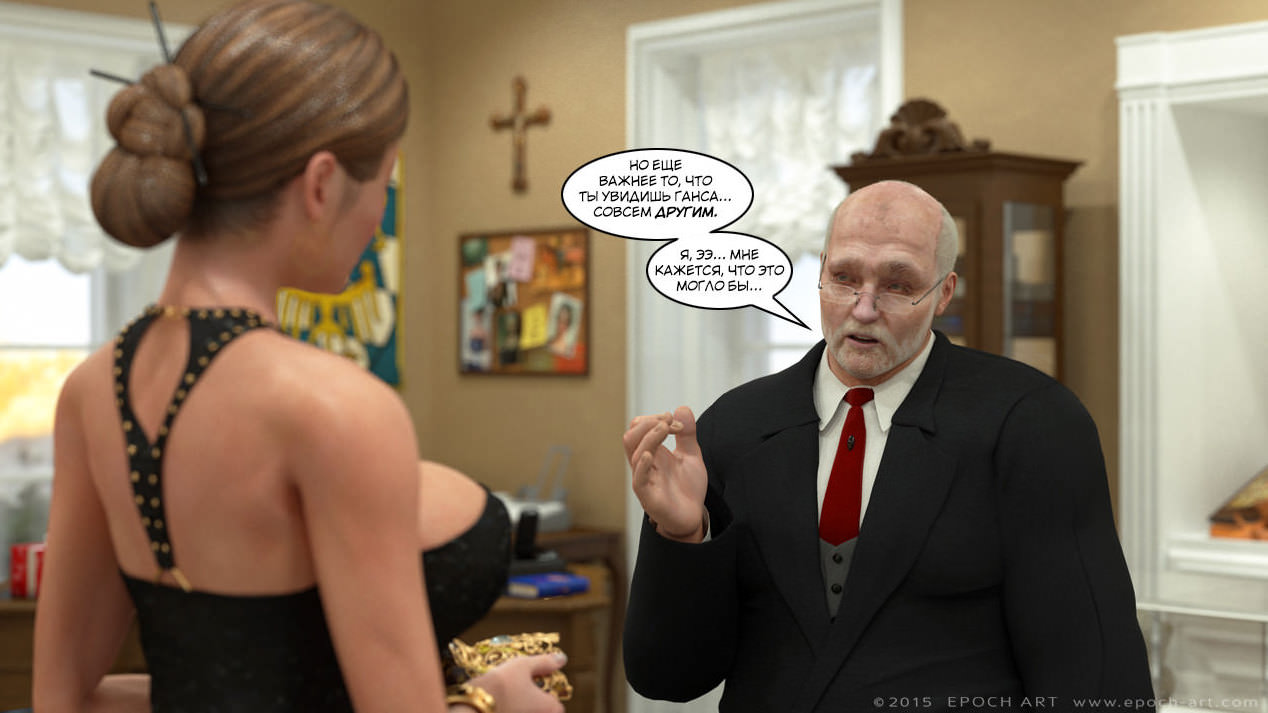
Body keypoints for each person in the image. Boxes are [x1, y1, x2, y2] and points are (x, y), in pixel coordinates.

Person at [31, 2, 564, 712]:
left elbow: (65, 698)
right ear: (321, 184)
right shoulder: (335, 407)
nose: (377, 221)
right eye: (384, 187)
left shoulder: (92, 388)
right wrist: (489, 704)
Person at [622, 180, 1153, 711]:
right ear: (821, 271)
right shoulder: (734, 424)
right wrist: (682, 536)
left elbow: (1095, 672)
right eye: (844, 278)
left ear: (944, 292)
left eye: (898, 285)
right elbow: (667, 678)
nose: (864, 308)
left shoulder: (1035, 424)